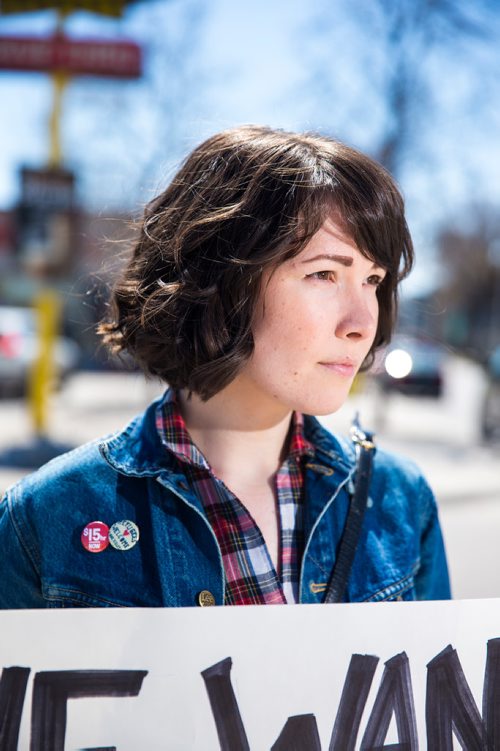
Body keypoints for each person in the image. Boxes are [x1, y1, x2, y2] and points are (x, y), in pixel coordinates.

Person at [0, 125, 450, 608]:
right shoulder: (47, 518)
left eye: (373, 281)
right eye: (324, 274)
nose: (362, 323)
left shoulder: (401, 504)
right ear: (220, 281)